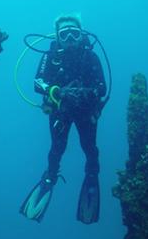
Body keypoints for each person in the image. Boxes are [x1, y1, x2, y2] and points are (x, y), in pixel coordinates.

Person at [20, 14, 106, 224]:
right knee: (57, 148)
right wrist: (57, 92)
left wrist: (88, 93)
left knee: (90, 147)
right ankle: (49, 177)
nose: (69, 39)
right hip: (61, 111)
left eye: (74, 34)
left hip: (85, 111)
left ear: (81, 35)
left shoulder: (91, 57)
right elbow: (37, 83)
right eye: (64, 34)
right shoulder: (50, 57)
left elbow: (102, 86)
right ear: (57, 37)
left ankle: (91, 177)